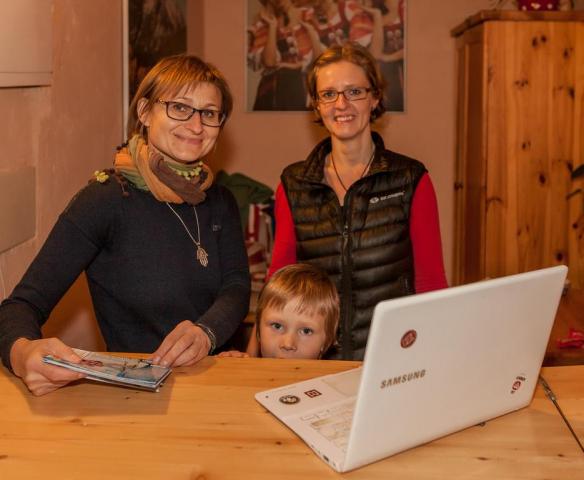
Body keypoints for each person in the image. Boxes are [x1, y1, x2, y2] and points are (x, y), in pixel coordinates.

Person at [0, 55, 250, 396]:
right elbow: (20, 306)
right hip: (136, 398)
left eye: (209, 113)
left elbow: (236, 286)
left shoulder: (220, 200)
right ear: (145, 112)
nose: (196, 126)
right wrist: (23, 353)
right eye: (180, 107)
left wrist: (207, 332)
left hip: (217, 383)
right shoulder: (105, 199)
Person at [268, 42, 447, 360]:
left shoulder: (411, 179)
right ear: (317, 105)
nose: (341, 104)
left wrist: (436, 357)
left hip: (392, 359)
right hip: (314, 363)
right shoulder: (293, 185)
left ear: (375, 97)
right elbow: (279, 286)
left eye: (354, 92)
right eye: (328, 94)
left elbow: (430, 282)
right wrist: (255, 354)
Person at [219, 263, 339, 359]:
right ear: (259, 332)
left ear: (327, 341)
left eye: (306, 331)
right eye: (277, 326)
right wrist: (237, 372)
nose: (288, 344)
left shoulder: (336, 383)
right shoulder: (250, 375)